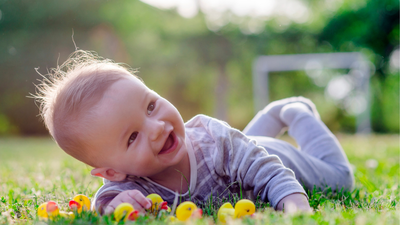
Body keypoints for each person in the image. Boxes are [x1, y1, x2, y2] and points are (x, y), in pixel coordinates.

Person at [34, 50, 353, 216]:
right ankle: (270, 116)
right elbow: (104, 200)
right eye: (132, 137)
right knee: (241, 147)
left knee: (340, 180)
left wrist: (297, 210)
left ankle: (292, 112)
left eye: (150, 106)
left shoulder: (214, 143)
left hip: (275, 157)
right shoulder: (129, 183)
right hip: (241, 153)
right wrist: (117, 205)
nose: (157, 127)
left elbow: (272, 174)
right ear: (113, 171)